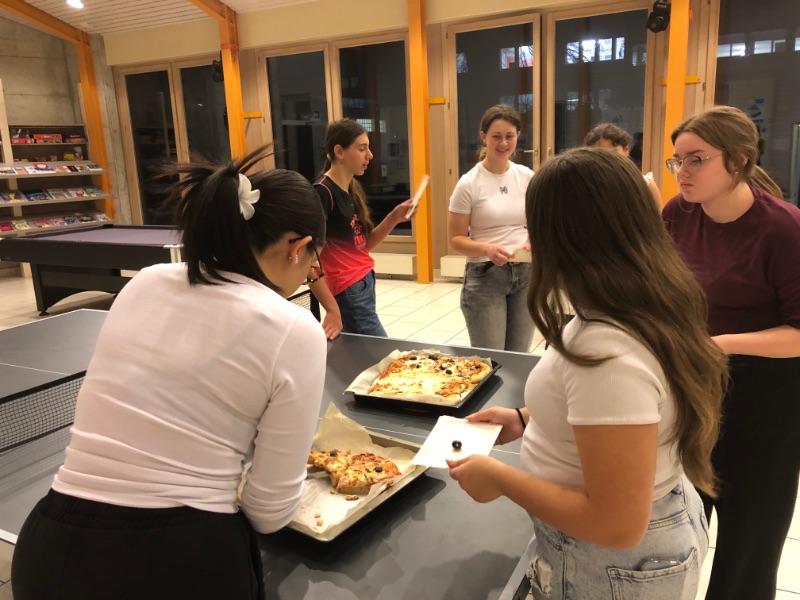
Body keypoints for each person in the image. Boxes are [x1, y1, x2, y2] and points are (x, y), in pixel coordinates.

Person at [11, 147, 328, 600]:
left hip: (47, 550)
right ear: (297, 247)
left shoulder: (146, 280)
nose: (310, 273)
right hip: (178, 562)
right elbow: (269, 512)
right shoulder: (293, 329)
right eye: (314, 262)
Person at [448, 147, 727, 599]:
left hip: (611, 565)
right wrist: (526, 419)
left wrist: (500, 479)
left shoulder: (607, 352)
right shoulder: (637, 302)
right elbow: (626, 417)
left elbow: (617, 525)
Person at [663, 105, 800, 600]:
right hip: (695, 392)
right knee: (678, 532)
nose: (682, 172)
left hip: (765, 403)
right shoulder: (677, 213)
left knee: (747, 550)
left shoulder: (784, 229)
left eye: (696, 160)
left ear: (738, 161)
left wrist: (720, 344)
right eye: (677, 161)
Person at [310, 118, 417, 339]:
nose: (370, 155)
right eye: (362, 149)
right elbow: (309, 261)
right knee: (380, 351)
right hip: (348, 288)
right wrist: (332, 309)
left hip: (363, 281)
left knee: (358, 351)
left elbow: (363, 245)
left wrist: (394, 217)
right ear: (339, 151)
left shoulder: (350, 189)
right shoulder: (323, 192)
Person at [447, 104, 535, 351]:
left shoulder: (526, 176)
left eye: (509, 136)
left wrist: (532, 241)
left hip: (526, 274)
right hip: (485, 276)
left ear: (518, 136)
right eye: (496, 136)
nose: (503, 143)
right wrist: (487, 249)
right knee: (492, 359)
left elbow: (538, 223)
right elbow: (455, 239)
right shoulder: (469, 183)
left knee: (519, 356)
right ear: (483, 136)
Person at [584, 123, 663, 206]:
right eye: (599, 155)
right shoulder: (588, 185)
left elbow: (659, 213)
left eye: (613, 153)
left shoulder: (645, 185)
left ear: (626, 149)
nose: (606, 159)